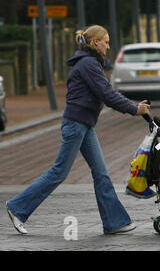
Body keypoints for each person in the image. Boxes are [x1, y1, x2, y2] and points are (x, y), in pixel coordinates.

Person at [6, 25, 152, 235]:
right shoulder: (88, 64)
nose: (109, 46)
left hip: (84, 125)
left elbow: (107, 92)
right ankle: (17, 207)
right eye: (106, 42)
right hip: (76, 125)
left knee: (101, 173)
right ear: (95, 43)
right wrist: (134, 109)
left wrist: (132, 106)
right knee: (59, 172)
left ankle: (115, 222)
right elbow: (107, 94)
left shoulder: (90, 63)